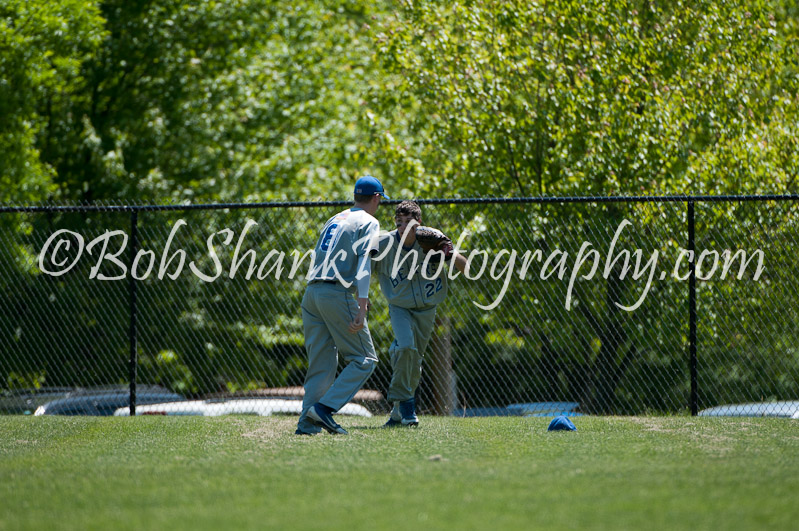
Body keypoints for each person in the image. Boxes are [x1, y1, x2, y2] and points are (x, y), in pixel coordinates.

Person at [295, 176, 389, 435]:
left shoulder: (336, 217)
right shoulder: (369, 221)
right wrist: (362, 303)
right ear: (376, 198)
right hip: (336, 292)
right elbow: (364, 262)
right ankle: (323, 410)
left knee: (321, 364)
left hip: (312, 293)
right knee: (365, 359)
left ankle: (307, 425)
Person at [373, 200, 466, 427]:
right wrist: (359, 299)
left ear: (419, 222)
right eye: (399, 222)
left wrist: (450, 252)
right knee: (406, 347)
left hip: (427, 308)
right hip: (400, 307)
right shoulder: (384, 243)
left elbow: (467, 267)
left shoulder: (431, 239)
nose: (403, 227)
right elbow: (362, 269)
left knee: (413, 359)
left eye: (409, 222)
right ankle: (407, 405)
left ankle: (397, 412)